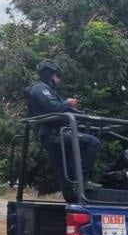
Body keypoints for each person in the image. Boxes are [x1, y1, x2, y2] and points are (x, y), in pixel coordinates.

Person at [26, 59, 101, 201]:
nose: (59, 80)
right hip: (53, 134)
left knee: (65, 169)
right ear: (50, 75)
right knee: (93, 142)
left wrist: (83, 114)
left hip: (56, 133)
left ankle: (73, 198)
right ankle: (84, 181)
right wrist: (67, 102)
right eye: (57, 76)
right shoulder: (40, 89)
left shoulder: (48, 91)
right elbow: (54, 108)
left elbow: (64, 109)